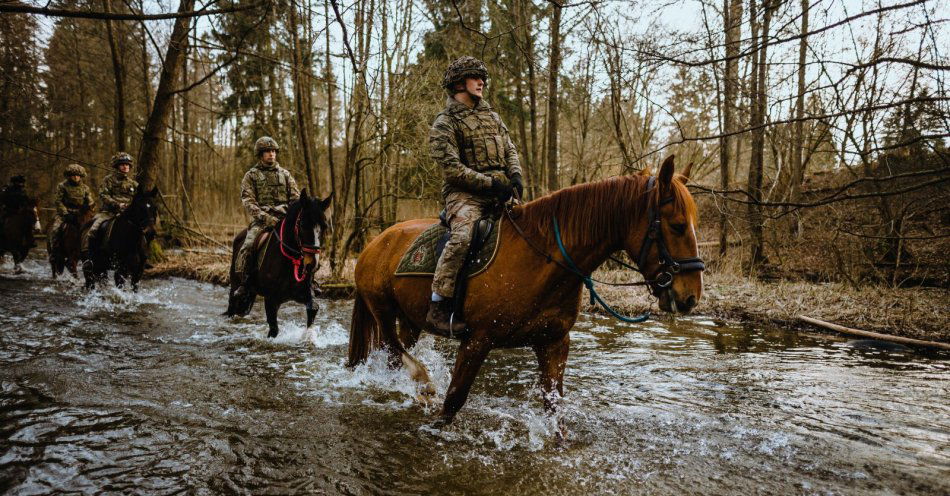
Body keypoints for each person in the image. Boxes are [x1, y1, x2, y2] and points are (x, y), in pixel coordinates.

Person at [426, 56, 524, 335]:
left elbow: (510, 149)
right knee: (462, 237)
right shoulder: (444, 122)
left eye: (483, 78)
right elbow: (452, 169)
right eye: (474, 77)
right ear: (459, 83)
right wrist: (491, 184)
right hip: (464, 194)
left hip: (501, 190)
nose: (481, 82)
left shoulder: (492, 115)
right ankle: (438, 306)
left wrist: (515, 176)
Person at [232, 136, 300, 299]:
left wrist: (290, 216)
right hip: (262, 221)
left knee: (304, 242)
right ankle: (245, 282)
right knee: (248, 245)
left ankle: (309, 281)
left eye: (273, 151)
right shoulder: (251, 176)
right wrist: (266, 217)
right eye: (267, 152)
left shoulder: (286, 175)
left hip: (285, 219)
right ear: (260, 154)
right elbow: (248, 201)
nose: (271, 154)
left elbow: (296, 199)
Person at [81, 152, 138, 261]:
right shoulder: (108, 180)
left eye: (127, 165)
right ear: (117, 166)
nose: (125, 166)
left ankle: (142, 256)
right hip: (109, 212)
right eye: (122, 164)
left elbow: (137, 199)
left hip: (128, 214)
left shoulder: (133, 184)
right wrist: (117, 204)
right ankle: (88, 254)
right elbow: (103, 196)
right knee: (94, 228)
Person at [50, 164, 95, 248]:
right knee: (55, 229)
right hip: (65, 214)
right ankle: (54, 250)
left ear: (81, 176)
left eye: (78, 175)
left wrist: (88, 209)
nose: (76, 177)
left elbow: (90, 201)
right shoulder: (62, 186)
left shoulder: (85, 188)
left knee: (93, 229)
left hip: (81, 214)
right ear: (69, 176)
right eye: (73, 175)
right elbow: (58, 201)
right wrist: (65, 213)